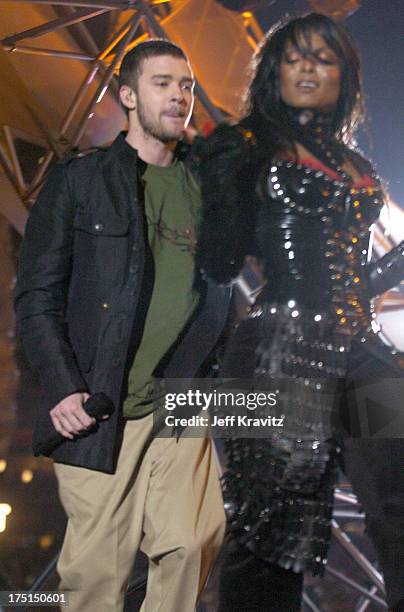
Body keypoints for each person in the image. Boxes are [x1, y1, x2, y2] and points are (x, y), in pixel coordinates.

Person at [197, 13, 404, 612]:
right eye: (296, 57)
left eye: (325, 57)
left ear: (346, 78)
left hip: (359, 346)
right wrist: (217, 183)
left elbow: (356, 279)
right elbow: (216, 262)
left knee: (401, 494)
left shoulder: (352, 163)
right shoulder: (245, 147)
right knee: (274, 528)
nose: (310, 66)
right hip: (277, 350)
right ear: (274, 72)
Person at [14, 39, 230, 612]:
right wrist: (62, 385)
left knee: (193, 540)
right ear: (129, 96)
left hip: (180, 401)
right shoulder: (80, 182)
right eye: (163, 83)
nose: (180, 95)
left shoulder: (209, 188)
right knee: (96, 582)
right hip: (100, 408)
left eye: (186, 84)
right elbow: (36, 296)